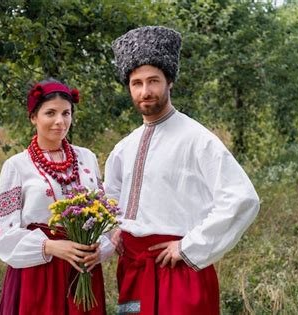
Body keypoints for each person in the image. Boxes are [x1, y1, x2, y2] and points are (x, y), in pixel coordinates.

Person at [104, 26, 260, 314]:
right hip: (135, 272)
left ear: (170, 82)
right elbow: (110, 201)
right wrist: (115, 231)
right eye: (136, 83)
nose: (145, 91)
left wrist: (190, 247)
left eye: (153, 81)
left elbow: (242, 199)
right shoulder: (124, 148)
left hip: (180, 271)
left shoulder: (197, 139)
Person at [0, 78, 112, 315]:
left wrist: (100, 248)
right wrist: (50, 246)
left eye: (66, 113)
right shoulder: (17, 166)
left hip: (82, 270)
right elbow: (4, 233)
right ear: (33, 117)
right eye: (50, 113)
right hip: (38, 272)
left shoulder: (86, 158)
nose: (60, 121)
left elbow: (104, 217)